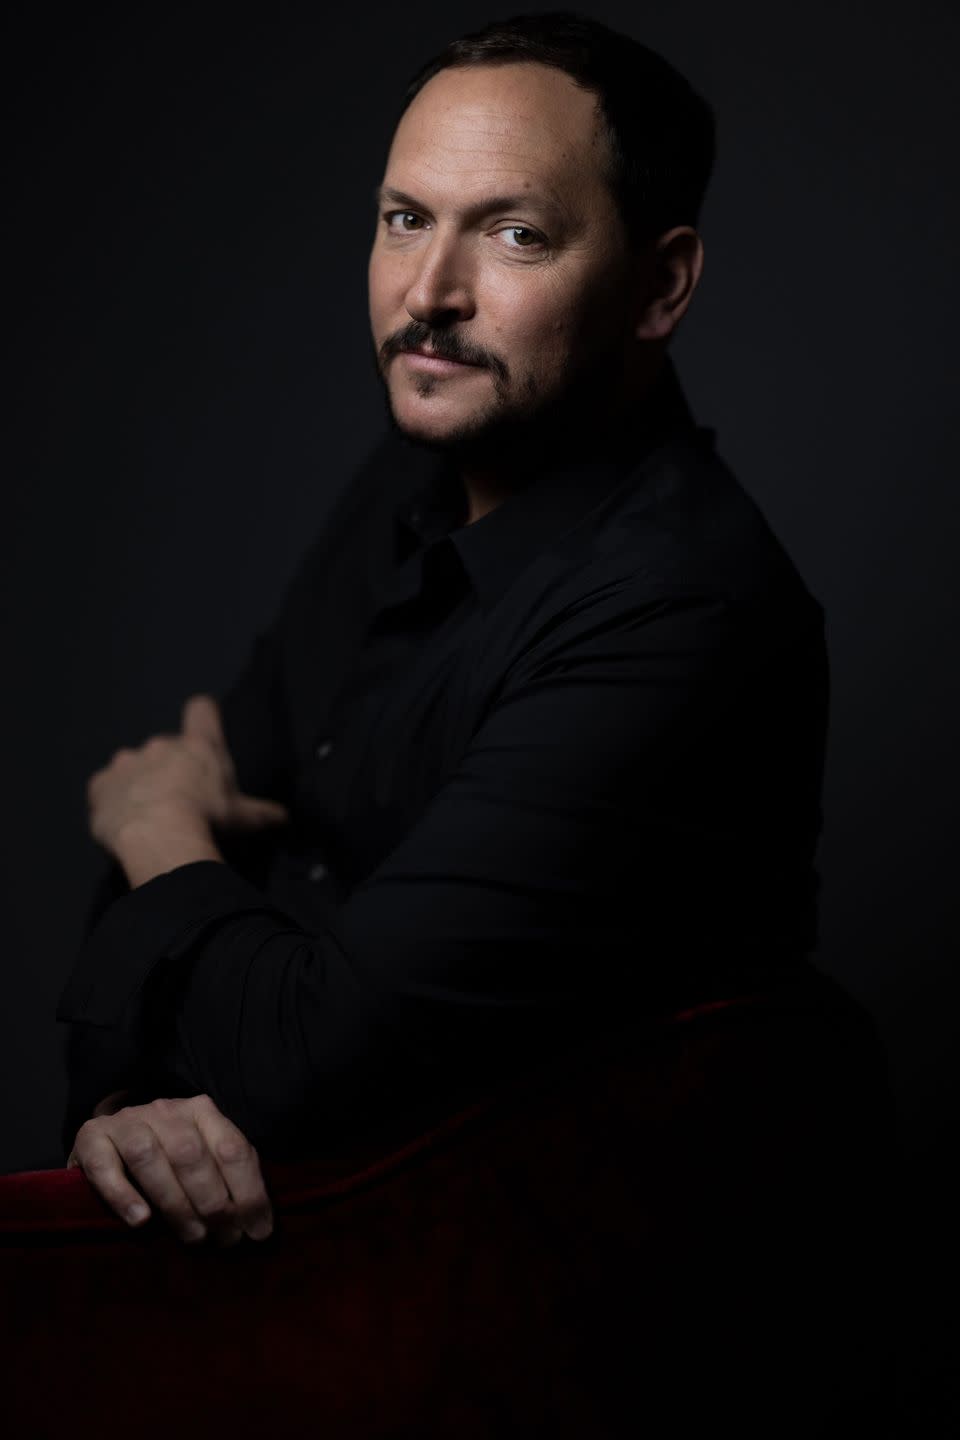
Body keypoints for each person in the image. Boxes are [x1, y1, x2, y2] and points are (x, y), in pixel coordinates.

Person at [58, 12, 838, 1259]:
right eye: (404, 218)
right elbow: (207, 886)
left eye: (515, 234)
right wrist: (131, 1106)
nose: (428, 296)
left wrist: (155, 821)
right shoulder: (409, 472)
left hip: (529, 1307)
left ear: (661, 285)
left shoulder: (686, 610)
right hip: (321, 1261)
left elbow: (314, 1051)